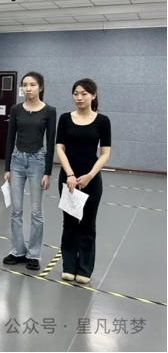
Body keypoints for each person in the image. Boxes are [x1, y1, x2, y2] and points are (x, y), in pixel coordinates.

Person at [55, 78, 111, 284]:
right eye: (76, 93)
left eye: (84, 94)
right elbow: (59, 148)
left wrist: (90, 175)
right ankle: (69, 266)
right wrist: (70, 174)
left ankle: (84, 269)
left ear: (93, 95)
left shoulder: (102, 121)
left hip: (91, 180)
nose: (79, 97)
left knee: (87, 224)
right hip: (68, 178)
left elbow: (105, 153)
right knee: (69, 223)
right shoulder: (65, 118)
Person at [3, 72, 56, 270]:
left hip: (37, 161)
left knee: (36, 211)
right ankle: (17, 250)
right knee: (16, 210)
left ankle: (33, 254)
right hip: (17, 161)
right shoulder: (16, 109)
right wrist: (7, 167)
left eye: (32, 84)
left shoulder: (49, 111)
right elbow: (10, 139)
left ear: (40, 87)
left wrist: (47, 172)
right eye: (24, 85)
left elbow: (50, 141)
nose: (28, 88)